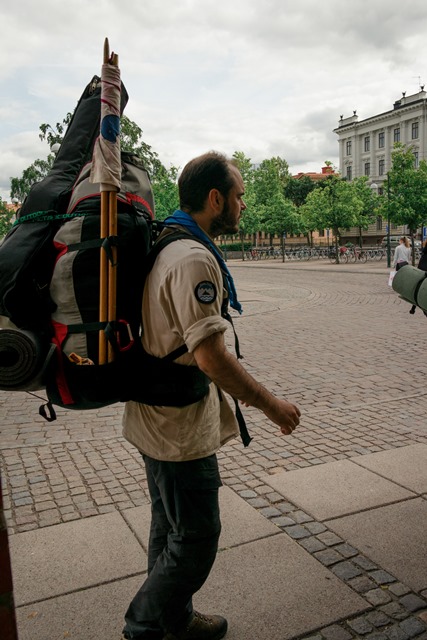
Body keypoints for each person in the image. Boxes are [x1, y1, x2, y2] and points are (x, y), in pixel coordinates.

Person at [121, 151, 301, 640]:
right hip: (178, 425)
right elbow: (211, 357)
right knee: (197, 537)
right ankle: (144, 625)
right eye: (239, 195)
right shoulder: (195, 257)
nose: (244, 205)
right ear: (215, 197)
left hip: (154, 413)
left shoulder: (167, 240)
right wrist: (271, 405)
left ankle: (172, 621)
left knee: (169, 526)